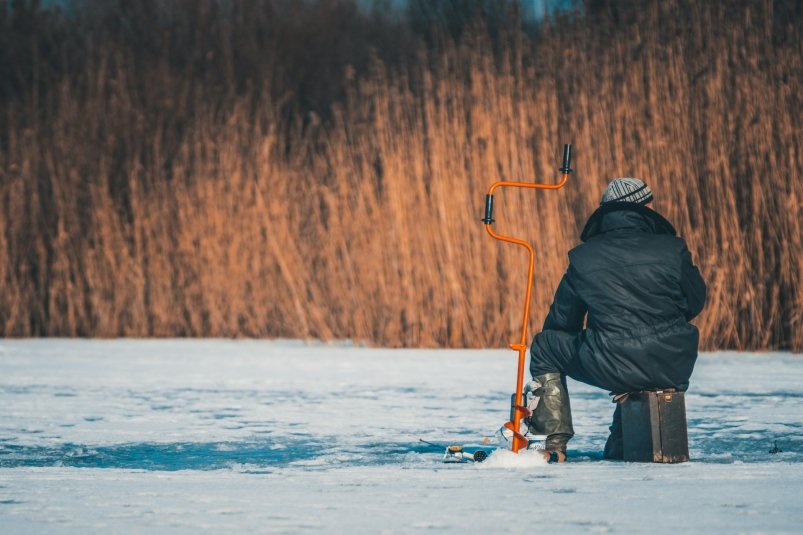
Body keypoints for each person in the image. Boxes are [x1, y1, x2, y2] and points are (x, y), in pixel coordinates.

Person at [526, 178, 706, 463]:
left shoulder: (584, 257)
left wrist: (601, 334)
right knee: (631, 359)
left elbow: (563, 321)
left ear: (605, 214)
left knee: (545, 346)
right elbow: (695, 301)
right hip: (673, 363)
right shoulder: (673, 249)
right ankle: (620, 444)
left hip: (611, 363)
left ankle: (552, 444)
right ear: (646, 209)